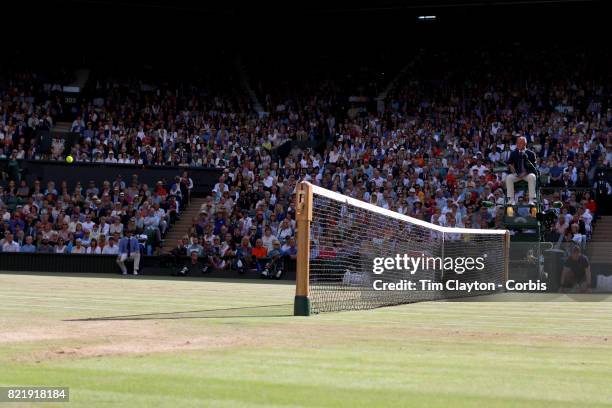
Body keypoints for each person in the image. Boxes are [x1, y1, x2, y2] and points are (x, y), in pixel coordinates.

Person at [505, 136, 537, 205]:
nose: (518, 144)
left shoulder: (531, 154)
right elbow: (508, 162)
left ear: (525, 144)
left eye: (520, 143)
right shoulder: (513, 153)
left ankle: (531, 200)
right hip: (517, 174)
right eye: (517, 143)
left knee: (532, 176)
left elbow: (534, 167)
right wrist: (510, 166)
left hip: (527, 174)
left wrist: (525, 173)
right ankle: (511, 200)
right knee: (509, 177)